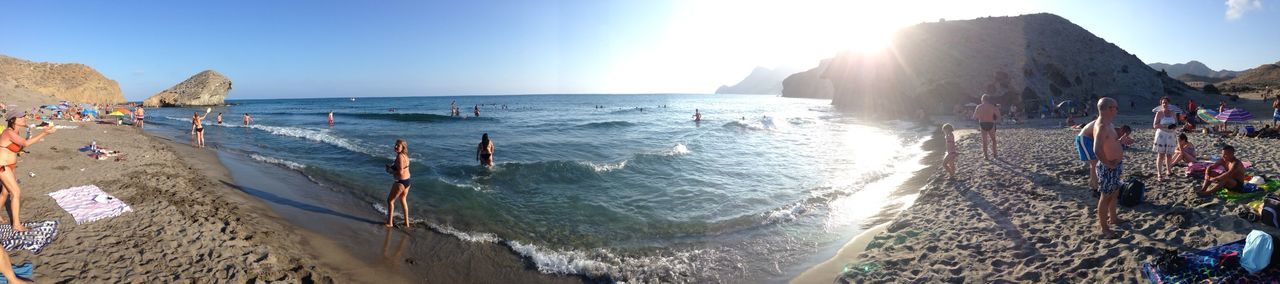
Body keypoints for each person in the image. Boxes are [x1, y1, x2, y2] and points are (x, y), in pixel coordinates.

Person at [0, 110, 56, 232]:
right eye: (21, 117)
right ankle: (16, 225)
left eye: (24, 116)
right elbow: (25, 143)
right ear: (13, 120)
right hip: (2, 165)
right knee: (16, 192)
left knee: (5, 192)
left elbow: (20, 146)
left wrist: (29, 137)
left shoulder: (16, 132)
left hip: (10, 165)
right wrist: (44, 133)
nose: (24, 118)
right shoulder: (8, 132)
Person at [1092, 97, 1123, 239]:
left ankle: (1114, 218)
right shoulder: (1102, 126)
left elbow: (1111, 141)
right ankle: (1104, 228)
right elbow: (1096, 149)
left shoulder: (1109, 124)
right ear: (1109, 109)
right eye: (1115, 107)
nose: (1117, 109)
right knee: (1105, 197)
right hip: (1108, 166)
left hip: (1114, 165)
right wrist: (1107, 163)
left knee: (1115, 192)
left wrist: (1122, 140)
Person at [384, 139, 411, 228]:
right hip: (407, 181)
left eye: (398, 145)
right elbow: (403, 168)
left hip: (400, 182)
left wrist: (390, 171)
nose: (395, 146)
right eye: (395, 145)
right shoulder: (405, 156)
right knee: (403, 200)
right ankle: (406, 223)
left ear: (403, 147)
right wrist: (392, 168)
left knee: (390, 201)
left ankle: (390, 223)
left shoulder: (399, 157)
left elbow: (400, 172)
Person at [1152, 97, 1178, 181]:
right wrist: (1165, 126)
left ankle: (1169, 171)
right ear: (1161, 104)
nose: (1164, 104)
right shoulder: (1159, 113)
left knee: (1169, 155)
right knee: (1161, 155)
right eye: (1163, 103)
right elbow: (1155, 125)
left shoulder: (1173, 113)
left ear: (1169, 104)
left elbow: (1176, 124)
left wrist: (1173, 127)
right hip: (1161, 136)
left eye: (1166, 102)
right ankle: (1159, 173)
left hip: (1171, 135)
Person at [972, 94, 999, 159]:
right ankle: (995, 154)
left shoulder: (979, 107)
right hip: (990, 123)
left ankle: (986, 156)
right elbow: (998, 115)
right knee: (993, 140)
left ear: (982, 99)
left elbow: (974, 117)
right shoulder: (992, 106)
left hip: (982, 123)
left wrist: (981, 115)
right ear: (988, 99)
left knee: (984, 141)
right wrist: (995, 120)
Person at [1075, 120, 1099, 191]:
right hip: (1084, 139)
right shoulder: (1101, 122)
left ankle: (1092, 183)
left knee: (1095, 163)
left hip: (1088, 139)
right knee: (1094, 163)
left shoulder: (1106, 124)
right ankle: (1094, 185)